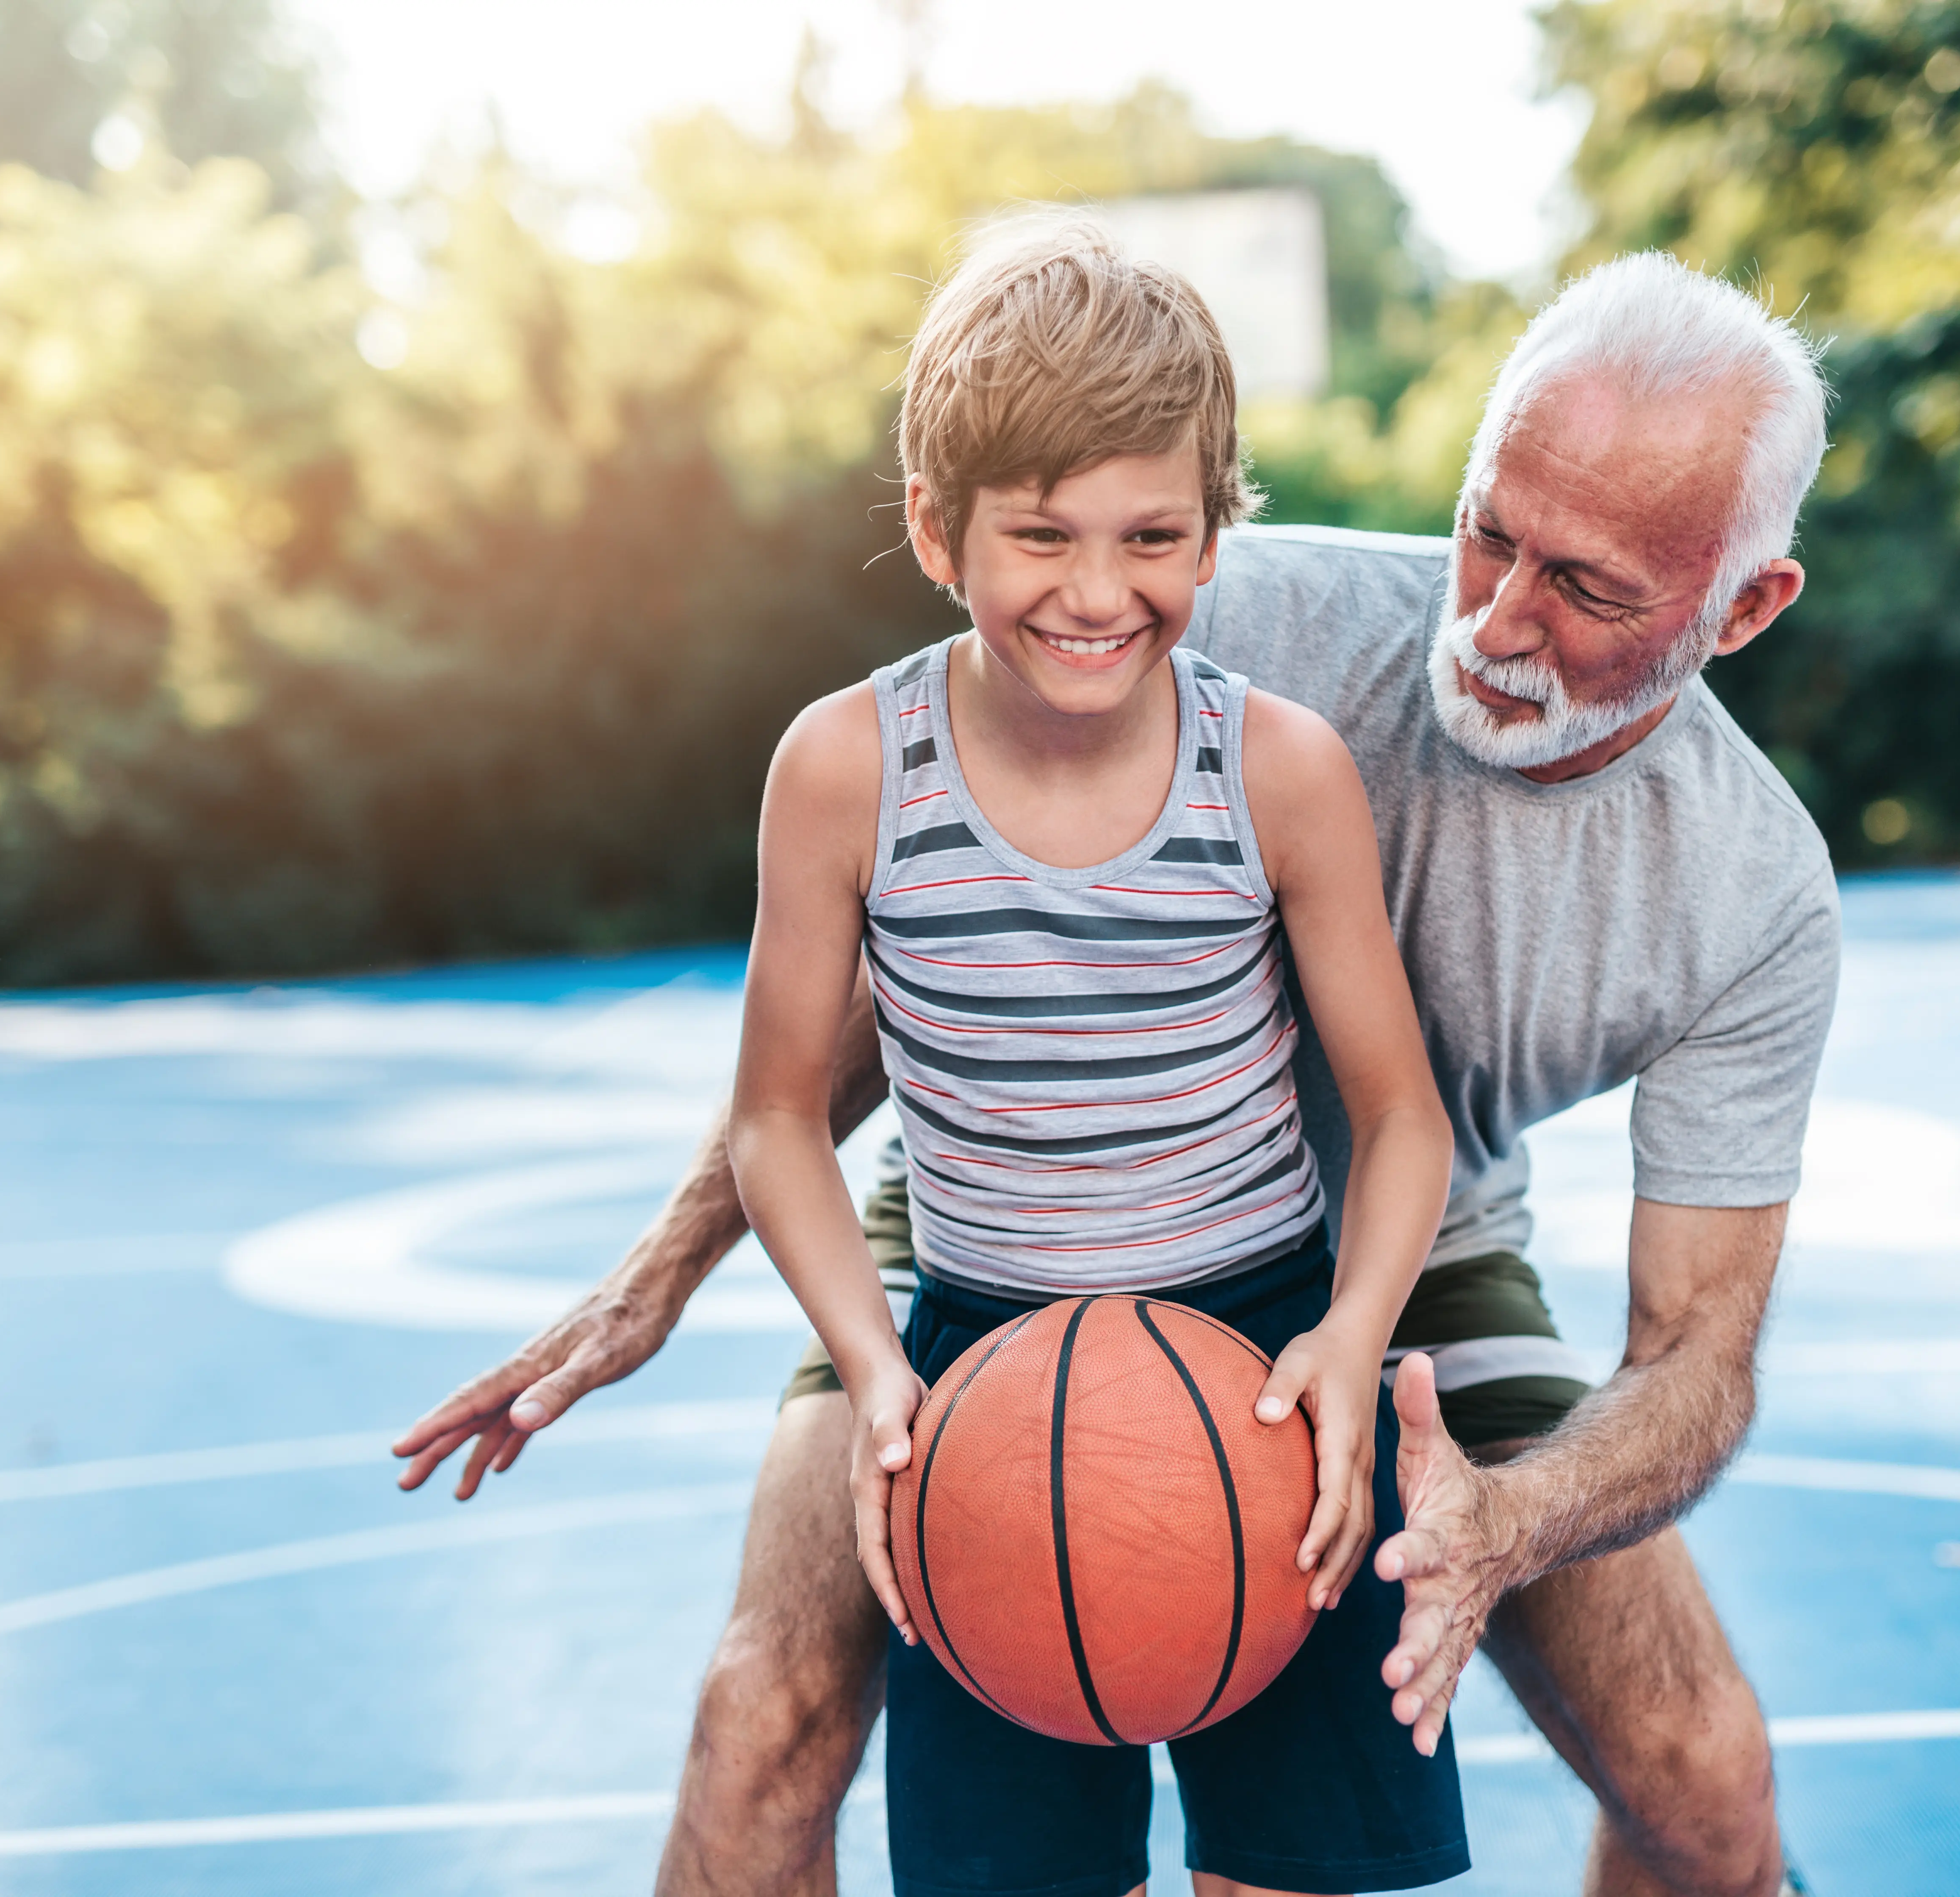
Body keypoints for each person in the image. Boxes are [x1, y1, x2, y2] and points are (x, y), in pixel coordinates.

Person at [395, 249, 1839, 1897]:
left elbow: (1696, 1361)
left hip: (1383, 1247)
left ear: (1740, 608)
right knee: (761, 1722)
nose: (1498, 617)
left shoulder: (1749, 895)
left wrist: (1497, 1523)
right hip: (987, 1227)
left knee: (1702, 1774)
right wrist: (665, 1271)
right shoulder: (1212, 605)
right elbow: (930, 953)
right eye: (1488, 532)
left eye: (1587, 589)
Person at [731, 218, 1464, 1897]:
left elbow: (1403, 1117)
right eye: (1038, 535)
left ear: (1216, 535)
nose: (1094, 589)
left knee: (1307, 1875)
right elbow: (776, 1122)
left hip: (1266, 1363)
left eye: (1152, 535)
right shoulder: (848, 769)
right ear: (937, 527)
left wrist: (1353, 1340)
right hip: (983, 1381)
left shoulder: (1274, 770)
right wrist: (874, 1371)